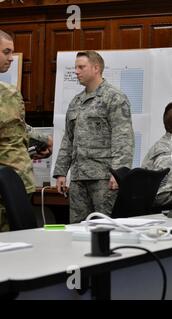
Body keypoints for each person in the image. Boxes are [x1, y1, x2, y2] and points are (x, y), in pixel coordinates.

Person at [53, 51, 134, 223]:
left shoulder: (114, 97)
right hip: (78, 178)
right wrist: (61, 173)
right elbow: (68, 138)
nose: (76, 71)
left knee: (105, 227)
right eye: (75, 67)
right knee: (77, 227)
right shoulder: (76, 101)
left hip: (103, 178)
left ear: (96, 68)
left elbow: (123, 137)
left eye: (81, 67)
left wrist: (119, 173)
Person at [0, 30, 51, 232]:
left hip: (13, 181)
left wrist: (41, 139)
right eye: (6, 52)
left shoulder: (6, 92)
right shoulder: (8, 92)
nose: (11, 58)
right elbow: (14, 132)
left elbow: (16, 126)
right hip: (7, 185)